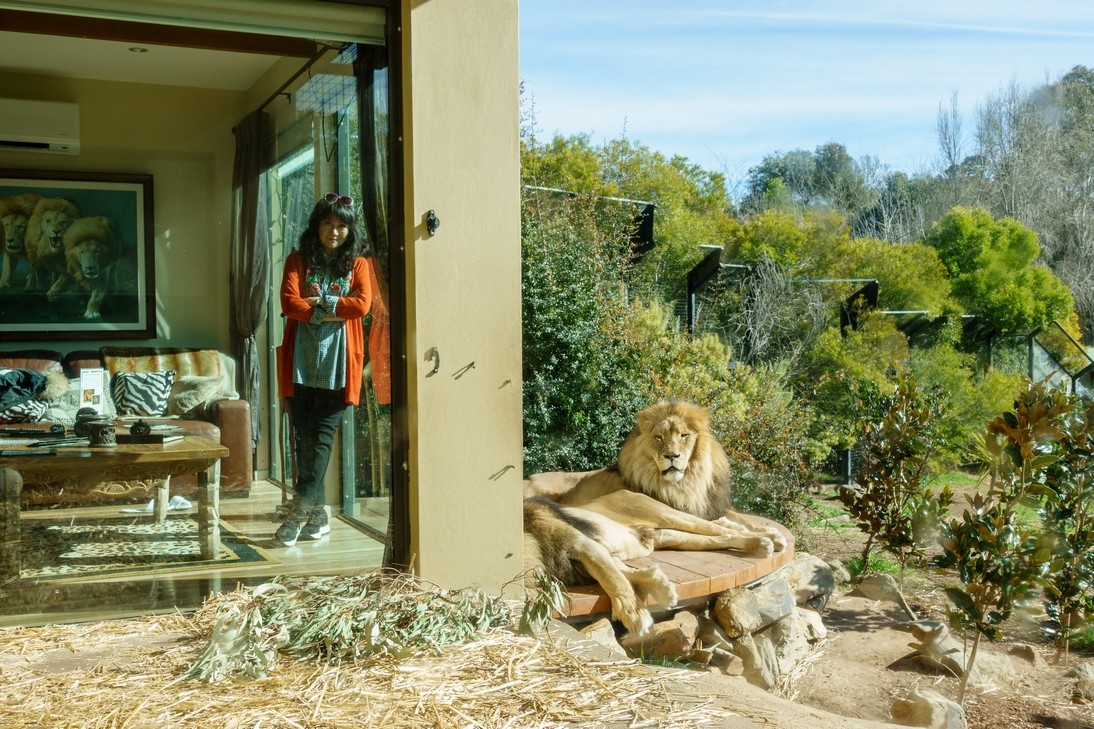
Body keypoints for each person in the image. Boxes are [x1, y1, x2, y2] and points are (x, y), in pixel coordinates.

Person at [275, 192, 374, 546]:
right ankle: (318, 518)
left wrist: (319, 304)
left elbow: (362, 305)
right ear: (317, 226)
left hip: (339, 369)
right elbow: (289, 303)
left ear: (350, 230)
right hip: (300, 367)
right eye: (328, 223)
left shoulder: (359, 264)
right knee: (305, 441)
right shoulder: (297, 259)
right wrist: (330, 312)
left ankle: (296, 517)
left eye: (341, 226)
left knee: (320, 442)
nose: (334, 231)